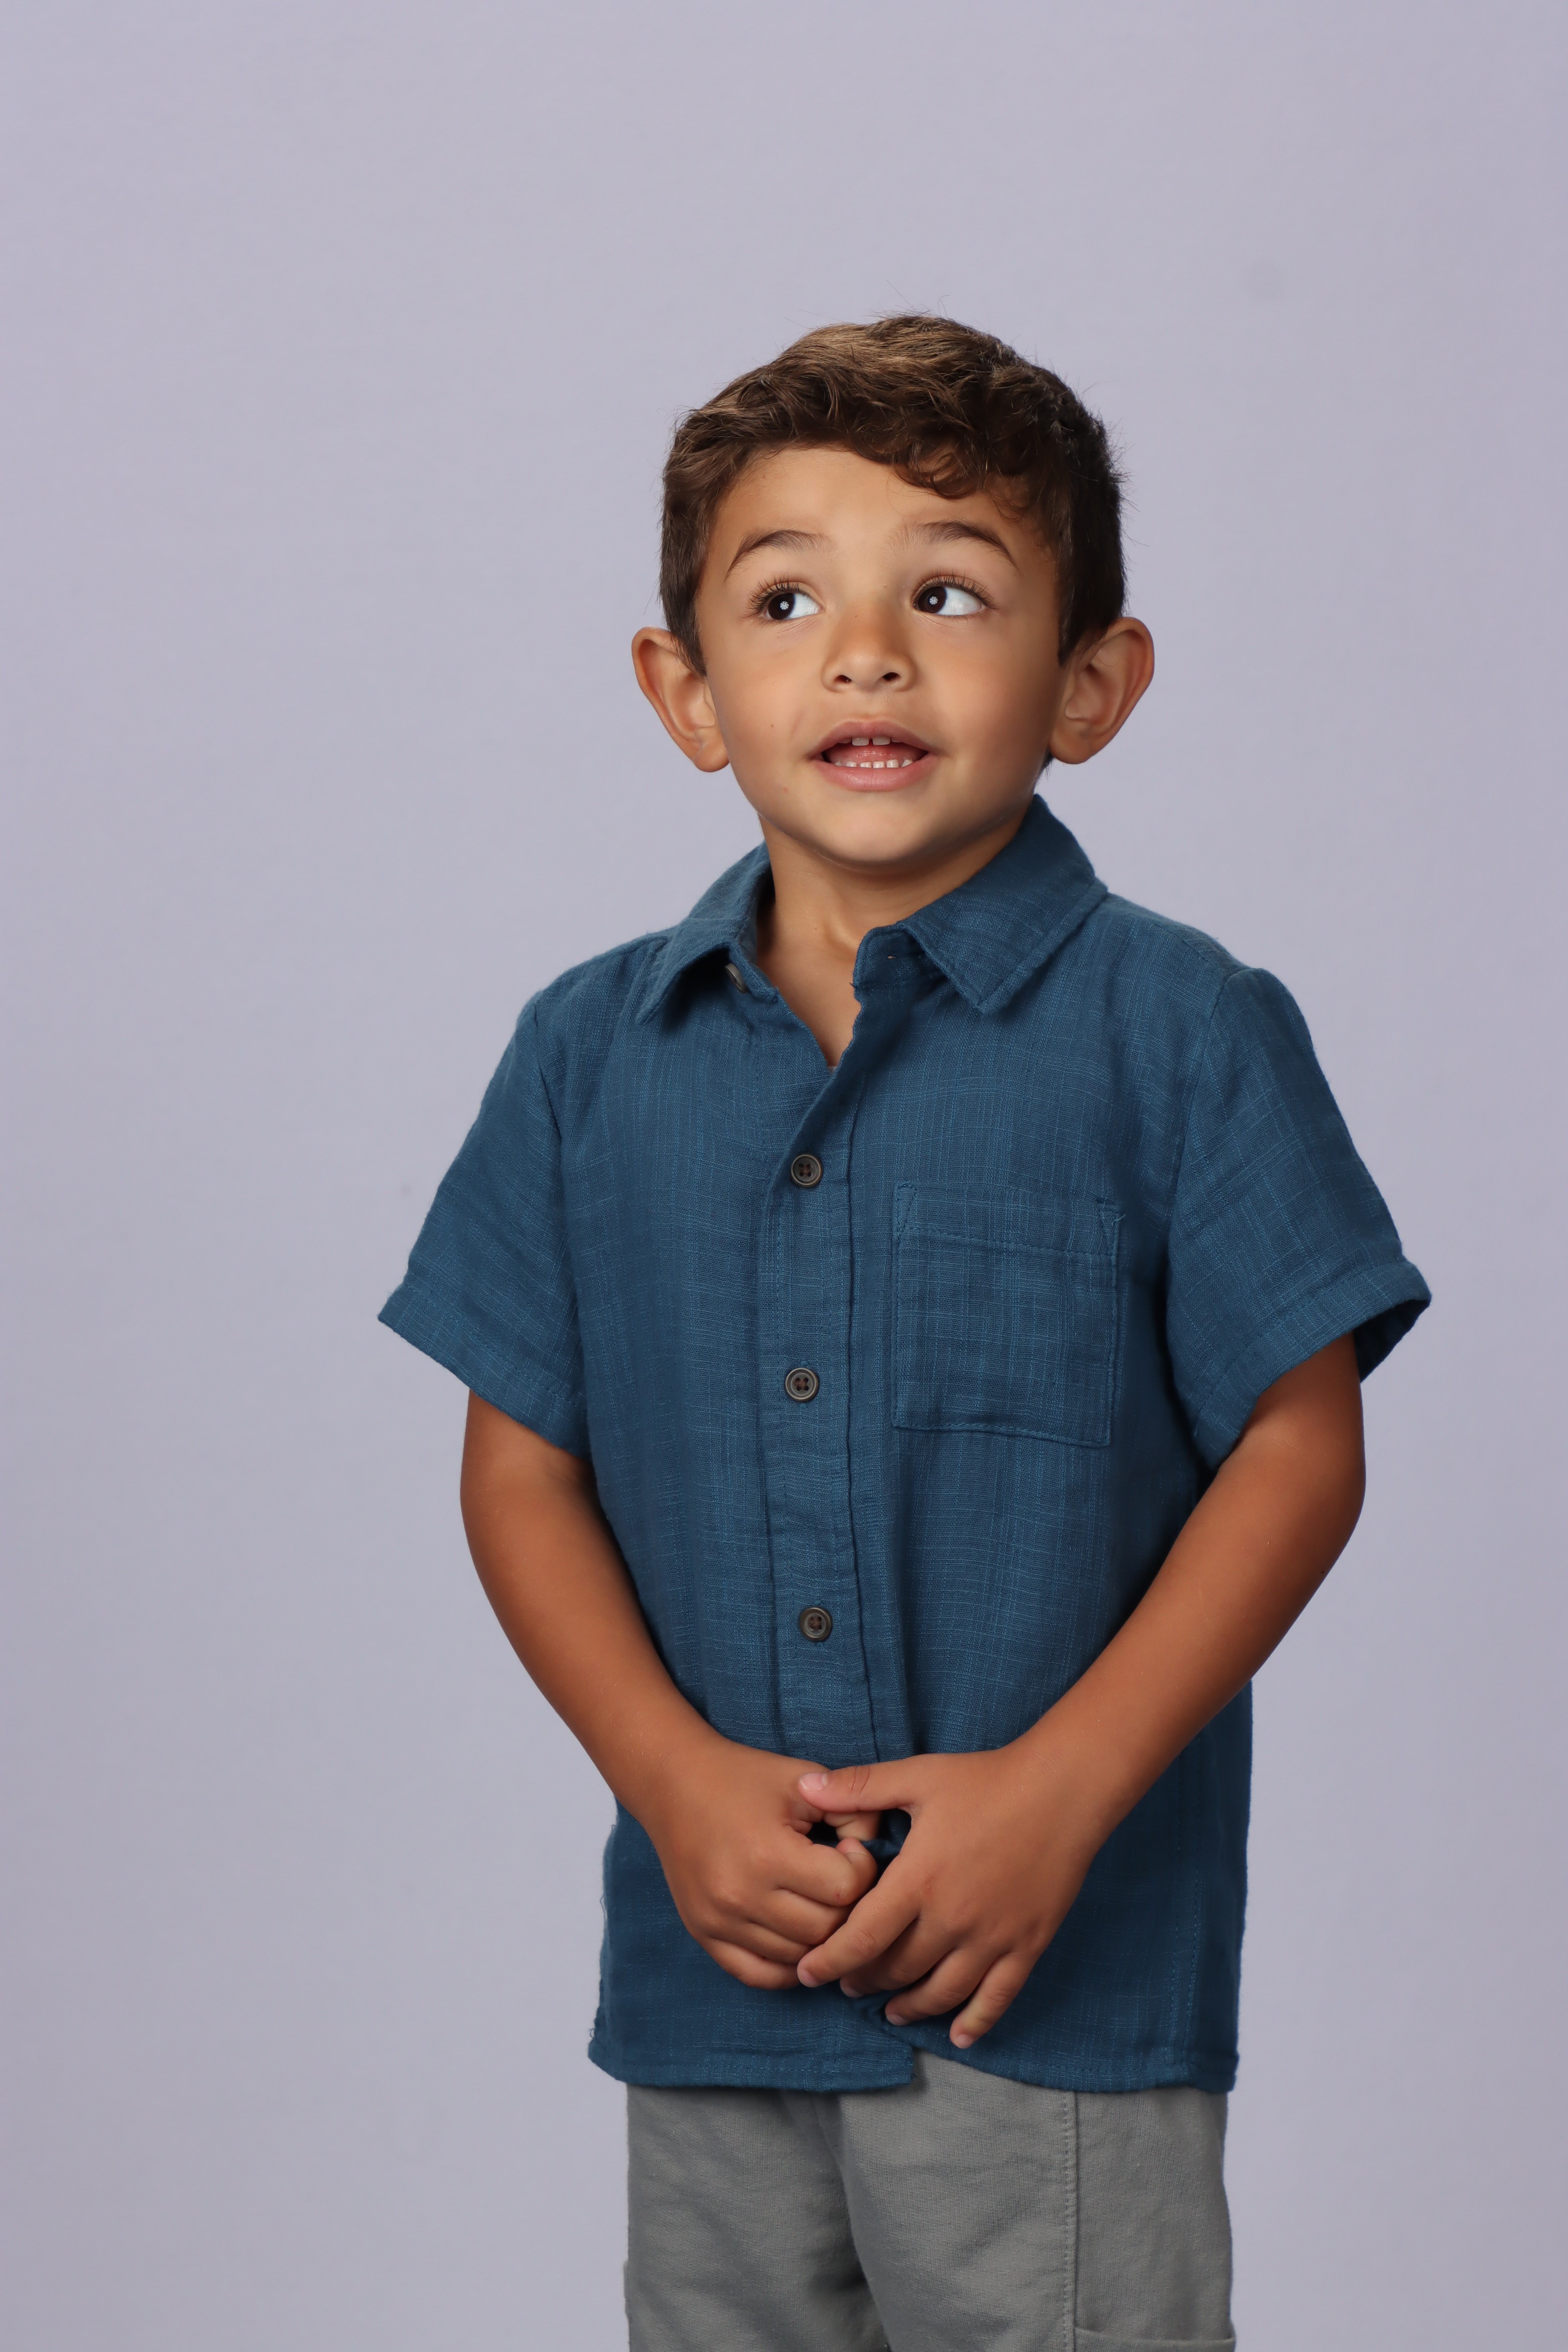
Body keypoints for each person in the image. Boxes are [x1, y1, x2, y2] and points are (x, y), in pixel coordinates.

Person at [380, 316, 1429, 2350]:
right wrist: (670, 1779)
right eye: (787, 602)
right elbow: (521, 1467)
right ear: (685, 691)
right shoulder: (585, 1056)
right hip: (719, 1976)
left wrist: (1059, 1792)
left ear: (1090, 682)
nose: (865, 657)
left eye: (946, 595)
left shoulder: (1184, 1030)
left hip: (1051, 1983)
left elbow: (1300, 1444)